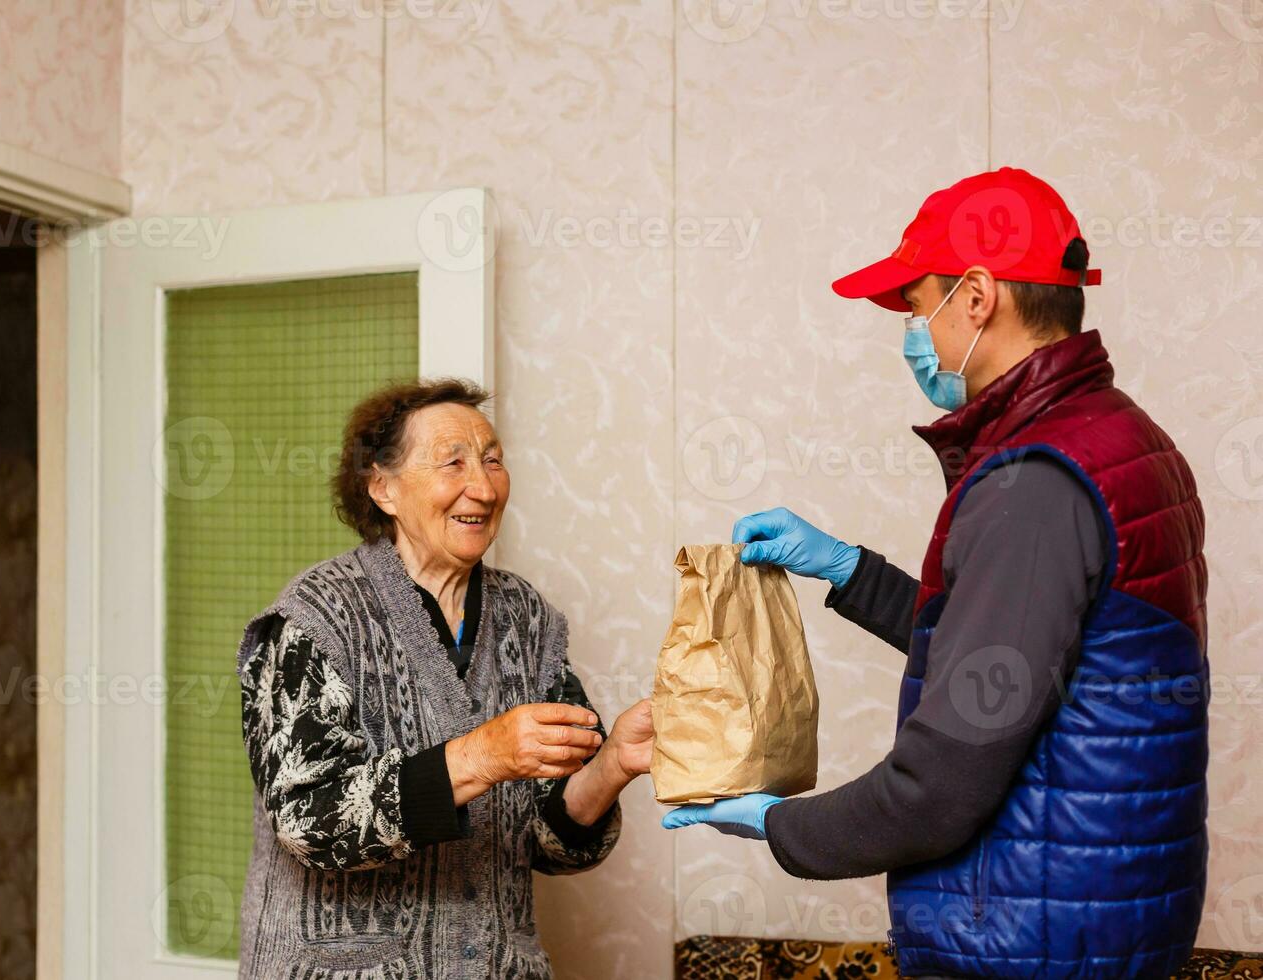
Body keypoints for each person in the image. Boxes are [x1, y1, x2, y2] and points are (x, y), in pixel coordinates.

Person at [663, 168, 1208, 978]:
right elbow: (1021, 653)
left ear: (978, 297)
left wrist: (781, 825)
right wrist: (851, 570)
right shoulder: (1123, 442)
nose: (913, 334)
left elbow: (937, 790)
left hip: (1029, 946)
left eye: (918, 307)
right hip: (1099, 922)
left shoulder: (1036, 481)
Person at [234, 378, 654, 979]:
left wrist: (612, 763)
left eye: (492, 460)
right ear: (382, 487)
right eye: (452, 463)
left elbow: (547, 841)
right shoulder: (315, 619)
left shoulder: (527, 619)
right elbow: (307, 818)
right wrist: (483, 756)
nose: (482, 487)